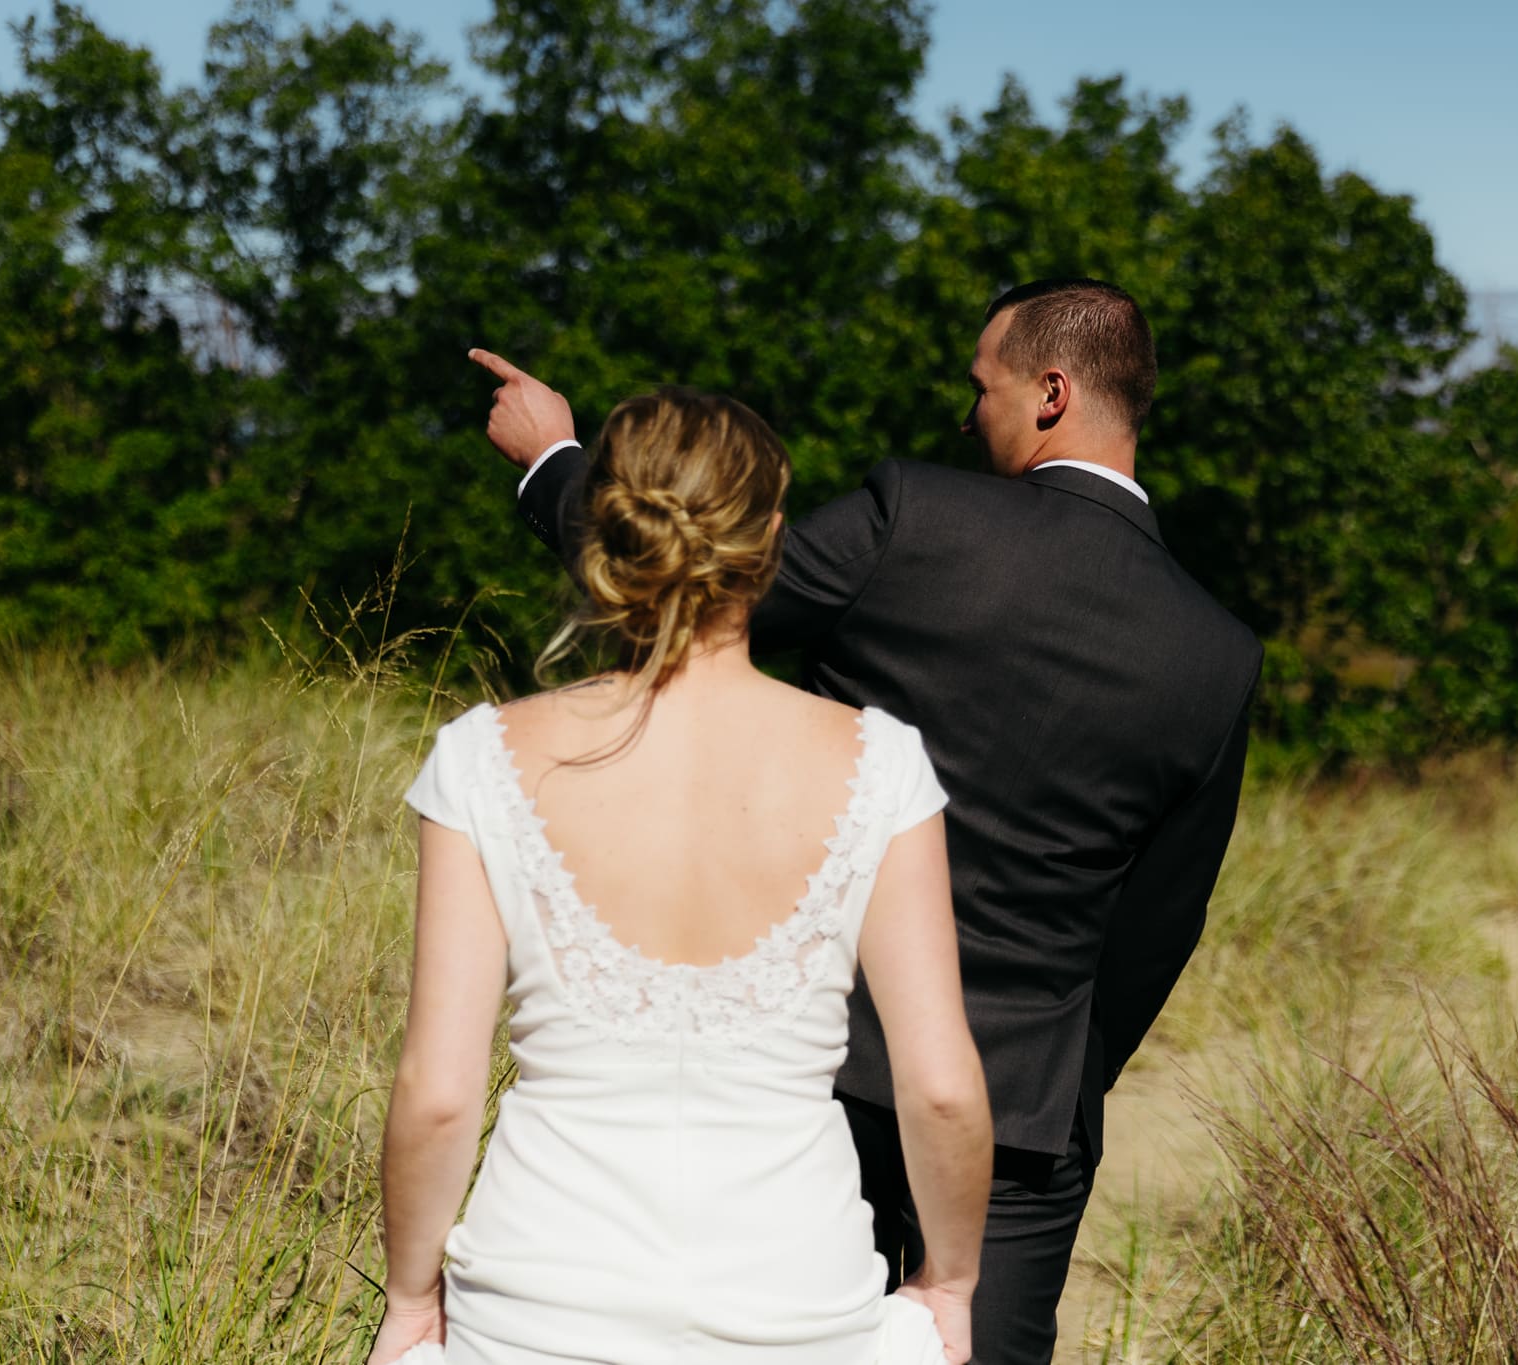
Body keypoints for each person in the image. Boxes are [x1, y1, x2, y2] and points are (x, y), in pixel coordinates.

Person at [479, 278, 1263, 1365]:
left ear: (1051, 391)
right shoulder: (1217, 653)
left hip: (808, 1065)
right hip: (1022, 1114)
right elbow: (1154, 929)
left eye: (978, 386)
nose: (963, 414)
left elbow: (684, 588)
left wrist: (551, 461)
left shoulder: (917, 520)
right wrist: (1046, 1076)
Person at [368, 388, 993, 1365]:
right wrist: (948, 1282)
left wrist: (411, 1298)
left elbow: (440, 1092)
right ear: (770, 537)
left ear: (607, 534)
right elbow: (942, 1088)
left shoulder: (484, 756)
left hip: (540, 1302)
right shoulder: (878, 765)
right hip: (798, 1298)